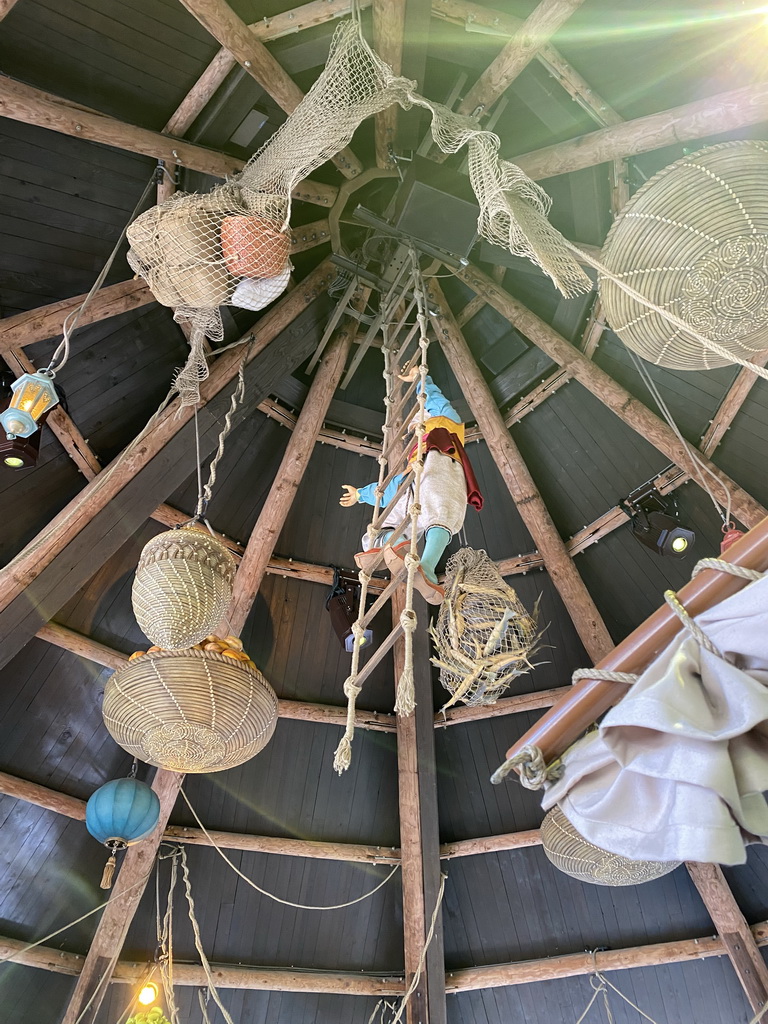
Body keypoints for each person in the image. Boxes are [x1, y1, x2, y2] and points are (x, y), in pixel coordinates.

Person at [340, 366, 482, 604]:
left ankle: (426, 566)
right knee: (387, 520)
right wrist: (361, 494)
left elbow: (434, 398)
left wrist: (421, 378)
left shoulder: (446, 422)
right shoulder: (411, 460)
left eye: (417, 425)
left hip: (440, 461)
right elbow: (387, 492)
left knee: (440, 507)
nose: (413, 430)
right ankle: (386, 545)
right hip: (412, 480)